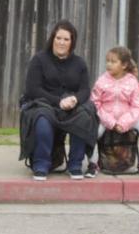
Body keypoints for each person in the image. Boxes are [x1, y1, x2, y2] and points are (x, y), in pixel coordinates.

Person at [19, 20, 97, 181]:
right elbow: (33, 89)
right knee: (42, 120)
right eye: (58, 38)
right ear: (52, 38)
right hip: (44, 102)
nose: (61, 42)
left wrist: (75, 99)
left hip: (71, 105)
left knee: (84, 116)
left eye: (66, 39)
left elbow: (85, 90)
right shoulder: (39, 60)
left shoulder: (79, 63)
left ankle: (75, 164)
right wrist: (58, 102)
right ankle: (41, 164)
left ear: (72, 42)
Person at [90, 46, 139, 177]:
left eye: (113, 61)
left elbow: (138, 107)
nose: (108, 64)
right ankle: (93, 164)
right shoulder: (101, 81)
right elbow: (95, 104)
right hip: (105, 119)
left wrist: (123, 123)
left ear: (124, 65)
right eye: (107, 61)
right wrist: (111, 122)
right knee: (90, 133)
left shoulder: (132, 82)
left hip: (127, 119)